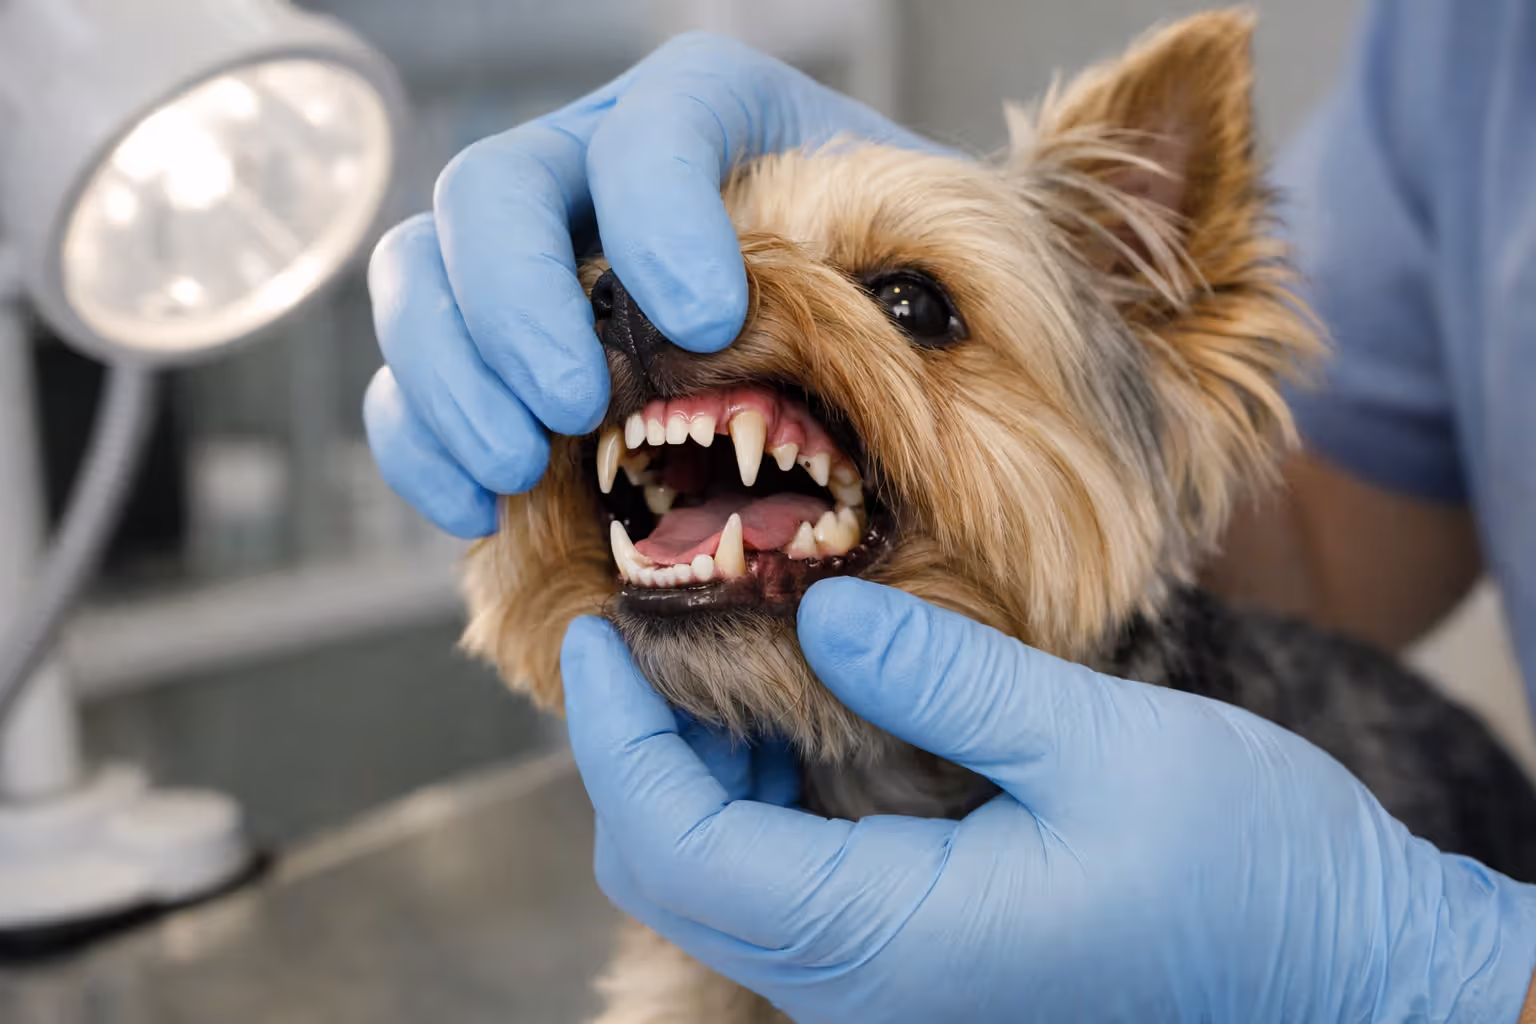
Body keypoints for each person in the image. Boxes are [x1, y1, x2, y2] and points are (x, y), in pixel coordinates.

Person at [363, 3, 1536, 1020]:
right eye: (628, 284)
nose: (653, 315)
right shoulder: (1465, 36)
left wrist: (1433, 982)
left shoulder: (1280, 924)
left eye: (913, 303)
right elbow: (1318, 543)